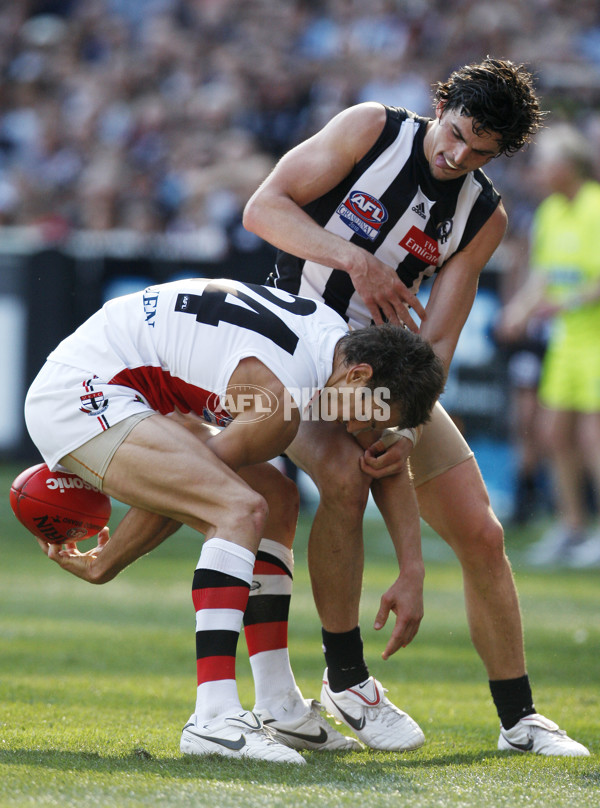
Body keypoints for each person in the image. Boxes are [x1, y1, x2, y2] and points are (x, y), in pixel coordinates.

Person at [242, 58, 590, 756]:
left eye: (479, 151)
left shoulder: (484, 215)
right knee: (342, 478)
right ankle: (347, 677)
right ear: (441, 104)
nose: (457, 154)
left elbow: (439, 339)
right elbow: (264, 209)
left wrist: (405, 422)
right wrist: (357, 262)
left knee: (482, 533)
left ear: (500, 155)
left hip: (383, 372)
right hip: (287, 341)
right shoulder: (370, 128)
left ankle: (520, 721)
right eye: (455, 133)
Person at [23, 276, 445, 764]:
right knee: (238, 509)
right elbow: (192, 488)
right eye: (373, 413)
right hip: (83, 393)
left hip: (116, 378)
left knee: (280, 501)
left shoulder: (328, 334)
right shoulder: (280, 398)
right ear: (358, 375)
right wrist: (106, 563)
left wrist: (411, 566)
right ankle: (214, 718)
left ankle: (279, 705)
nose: (361, 428)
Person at [498, 123, 600, 566]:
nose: (536, 171)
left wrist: (565, 304)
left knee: (594, 438)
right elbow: (543, 276)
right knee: (552, 433)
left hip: (594, 341)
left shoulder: (596, 207)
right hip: (566, 345)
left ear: (566, 165)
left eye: (543, 162)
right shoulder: (549, 213)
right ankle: (572, 530)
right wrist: (519, 309)